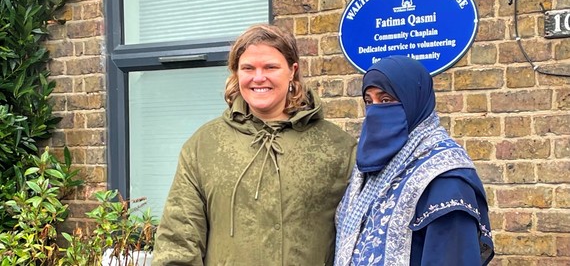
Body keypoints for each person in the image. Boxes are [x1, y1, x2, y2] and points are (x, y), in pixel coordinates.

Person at [153, 24, 357, 265]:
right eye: (248, 68)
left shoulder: (337, 146)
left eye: (271, 67)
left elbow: (358, 239)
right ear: (236, 73)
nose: (259, 77)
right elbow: (179, 241)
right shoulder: (205, 145)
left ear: (292, 70)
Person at [334, 55, 494, 266]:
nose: (375, 111)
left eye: (385, 100)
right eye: (368, 101)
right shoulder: (369, 169)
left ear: (413, 101)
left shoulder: (446, 179)